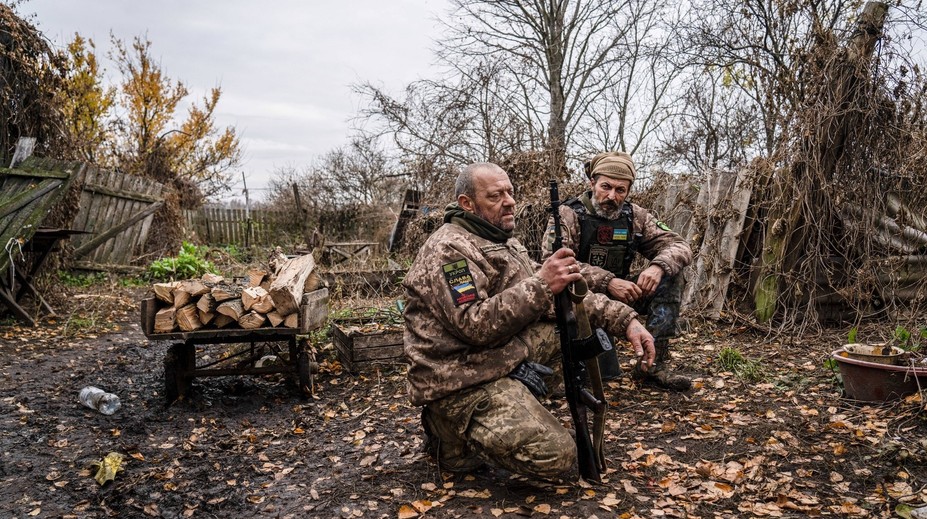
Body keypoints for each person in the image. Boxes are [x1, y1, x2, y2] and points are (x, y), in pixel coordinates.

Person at [402, 162, 656, 481]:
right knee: (557, 457)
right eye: (496, 195)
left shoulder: (499, 238)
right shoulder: (449, 251)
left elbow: (560, 297)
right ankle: (446, 427)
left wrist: (626, 320)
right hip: (457, 377)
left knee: (567, 330)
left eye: (510, 192)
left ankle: (512, 402)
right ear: (467, 203)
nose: (509, 201)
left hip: (492, 358)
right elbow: (473, 323)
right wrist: (542, 284)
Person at [541, 151, 693, 391]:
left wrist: (657, 266)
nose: (612, 196)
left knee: (671, 275)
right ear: (592, 183)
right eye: (606, 187)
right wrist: (608, 281)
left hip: (622, 295)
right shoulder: (568, 214)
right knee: (598, 377)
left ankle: (652, 365)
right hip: (580, 298)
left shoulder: (636, 217)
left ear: (629, 190)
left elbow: (679, 246)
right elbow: (553, 262)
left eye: (620, 190)